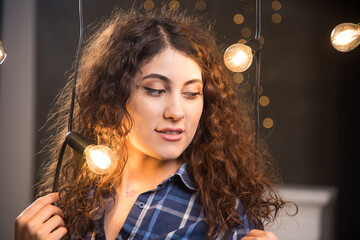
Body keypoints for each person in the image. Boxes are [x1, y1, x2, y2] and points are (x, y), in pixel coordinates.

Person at [15, 7, 290, 240]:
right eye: (156, 90)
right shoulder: (75, 201)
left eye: (192, 93)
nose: (176, 112)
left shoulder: (223, 213)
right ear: (114, 94)